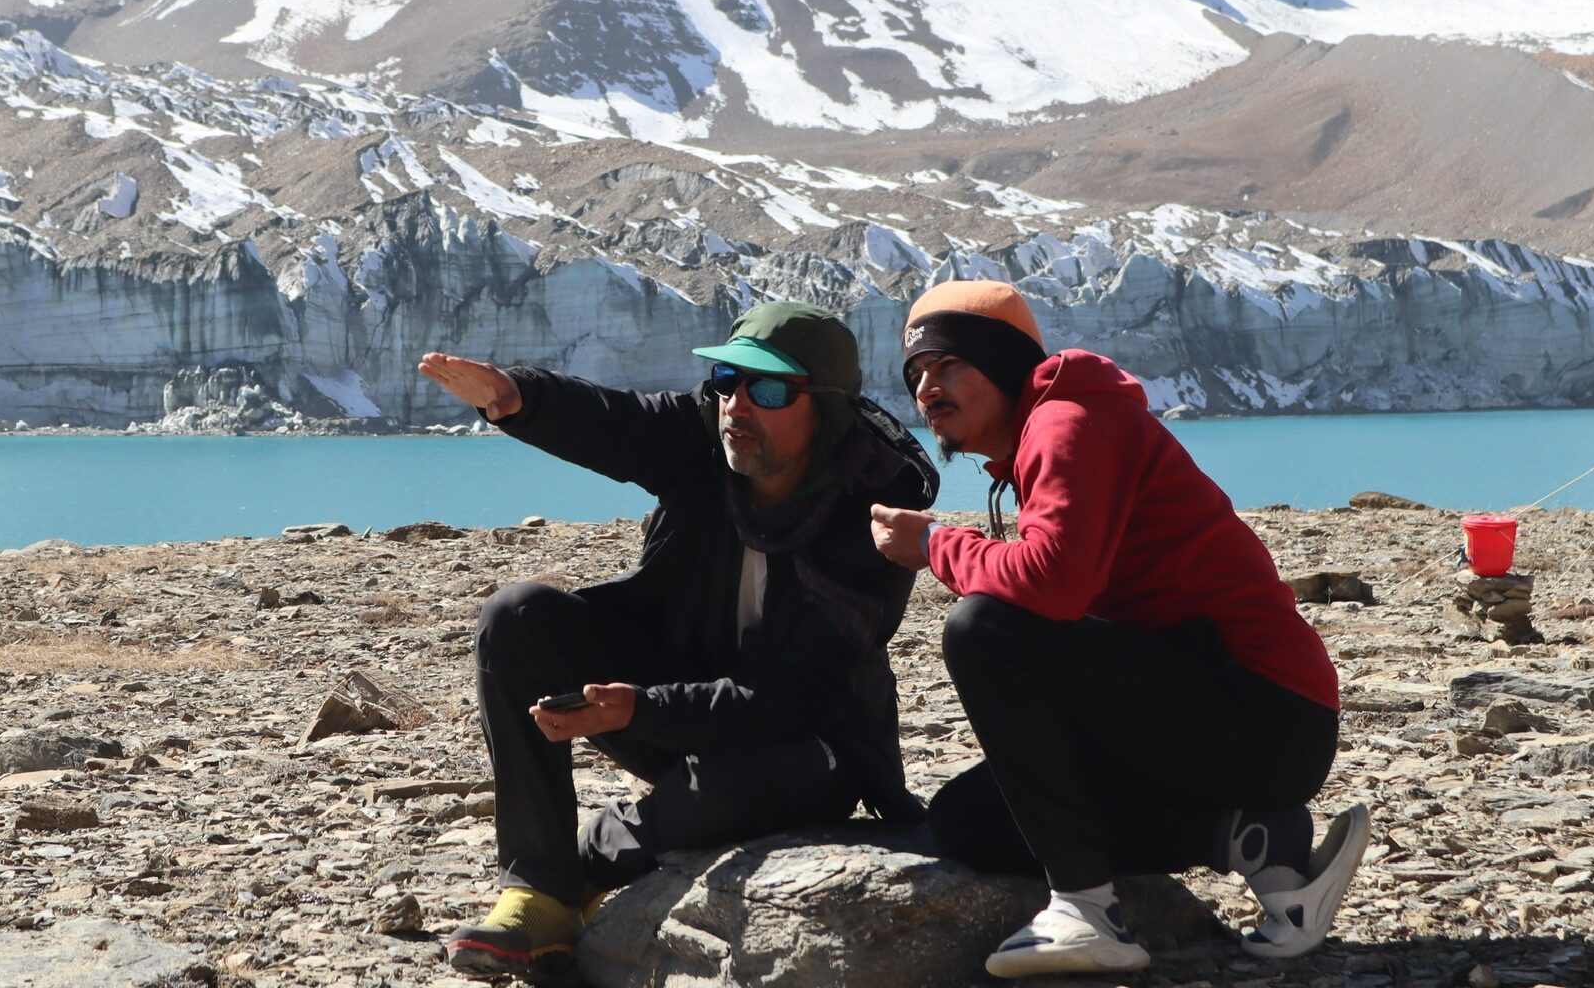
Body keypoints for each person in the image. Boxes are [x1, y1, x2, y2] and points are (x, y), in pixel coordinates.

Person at [418, 301, 938, 984]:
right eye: (727, 379)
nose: (736, 405)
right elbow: (613, 423)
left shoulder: (868, 515)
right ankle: (539, 894)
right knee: (517, 618)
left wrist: (641, 710)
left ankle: (584, 867)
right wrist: (516, 398)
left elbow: (794, 696)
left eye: (769, 388)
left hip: (806, 745)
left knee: (742, 782)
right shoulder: (701, 441)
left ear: (829, 411)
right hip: (673, 706)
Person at [866, 280, 1366, 978]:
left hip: (1266, 712)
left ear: (1003, 363)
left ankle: (1084, 910)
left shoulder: (1068, 424)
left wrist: (934, 548)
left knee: (982, 627)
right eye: (915, 374)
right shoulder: (1051, 432)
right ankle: (1251, 840)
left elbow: (1053, 585)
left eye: (947, 364)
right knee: (968, 821)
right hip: (1207, 715)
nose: (927, 389)